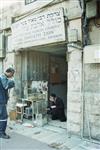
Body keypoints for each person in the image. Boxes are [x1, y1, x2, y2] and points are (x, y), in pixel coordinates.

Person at [0, 67, 15, 139]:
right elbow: (6, 86)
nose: (12, 76)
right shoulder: (3, 77)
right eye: (12, 74)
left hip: (1, 100)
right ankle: (2, 133)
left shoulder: (2, 76)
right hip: (1, 101)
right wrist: (12, 82)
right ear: (9, 72)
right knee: (4, 117)